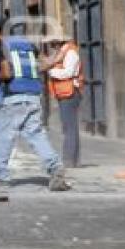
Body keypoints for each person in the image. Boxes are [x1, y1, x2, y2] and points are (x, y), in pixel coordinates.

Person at [0, 20, 70, 192]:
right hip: (33, 97)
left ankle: (0, 178)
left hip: (12, 98)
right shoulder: (28, 45)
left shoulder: (2, 46)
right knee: (36, 135)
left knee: (2, 136)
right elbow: (44, 65)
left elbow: (7, 74)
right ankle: (55, 168)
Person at [43, 31, 83, 168]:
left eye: (52, 43)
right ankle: (70, 159)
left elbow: (68, 72)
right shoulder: (61, 54)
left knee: (70, 127)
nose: (52, 46)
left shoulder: (70, 53)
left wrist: (51, 72)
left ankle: (69, 160)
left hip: (70, 93)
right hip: (63, 93)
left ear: (58, 42)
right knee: (68, 127)